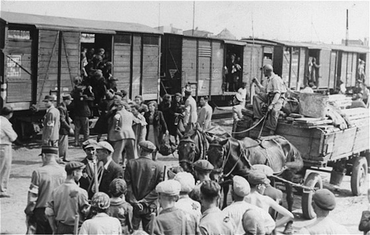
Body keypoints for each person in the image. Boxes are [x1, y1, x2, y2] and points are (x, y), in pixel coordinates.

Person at [24, 146, 66, 234]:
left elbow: (33, 196)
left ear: (43, 156)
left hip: (41, 211)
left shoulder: (38, 172)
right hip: (58, 211)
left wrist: (29, 210)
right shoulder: (63, 172)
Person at [124, 140, 164, 233]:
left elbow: (127, 185)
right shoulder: (158, 166)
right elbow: (158, 188)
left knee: (132, 231)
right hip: (150, 206)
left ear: (140, 149)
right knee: (150, 231)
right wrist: (145, 201)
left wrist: (134, 201)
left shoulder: (131, 163)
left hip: (134, 206)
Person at [45, 162, 90, 234]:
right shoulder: (81, 192)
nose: (81, 175)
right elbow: (86, 212)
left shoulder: (56, 191)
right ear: (74, 173)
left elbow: (49, 212)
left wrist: (54, 229)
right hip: (77, 228)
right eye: (80, 171)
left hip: (61, 227)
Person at [252, 64, 286, 135]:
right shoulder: (269, 79)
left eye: (264, 71)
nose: (263, 73)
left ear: (267, 71)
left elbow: (277, 93)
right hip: (270, 96)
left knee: (274, 111)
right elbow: (265, 90)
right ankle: (258, 117)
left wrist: (271, 104)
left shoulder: (275, 79)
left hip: (279, 98)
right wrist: (257, 83)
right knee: (256, 97)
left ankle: (271, 130)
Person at [107, 100, 137, 164]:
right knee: (131, 154)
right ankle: (132, 167)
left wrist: (116, 126)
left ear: (122, 106)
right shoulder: (130, 114)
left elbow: (116, 117)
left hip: (121, 135)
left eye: (117, 106)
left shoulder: (119, 113)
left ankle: (114, 166)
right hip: (131, 134)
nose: (116, 107)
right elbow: (135, 121)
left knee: (117, 153)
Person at [0, 106, 18, 198]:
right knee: (4, 168)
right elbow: (13, 137)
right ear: (10, 114)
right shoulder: (5, 123)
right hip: (3, 147)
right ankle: (2, 190)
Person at [71, 77, 95, 146]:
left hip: (77, 112)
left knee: (77, 128)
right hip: (84, 113)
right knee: (86, 129)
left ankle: (76, 141)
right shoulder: (84, 96)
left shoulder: (74, 93)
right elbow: (92, 98)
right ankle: (86, 141)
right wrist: (90, 91)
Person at [58, 94, 74, 162]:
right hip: (62, 129)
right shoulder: (61, 108)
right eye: (70, 100)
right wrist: (69, 128)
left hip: (64, 129)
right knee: (62, 144)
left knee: (64, 144)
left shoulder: (63, 107)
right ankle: (61, 158)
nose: (70, 102)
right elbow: (62, 120)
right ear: (66, 100)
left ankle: (64, 157)